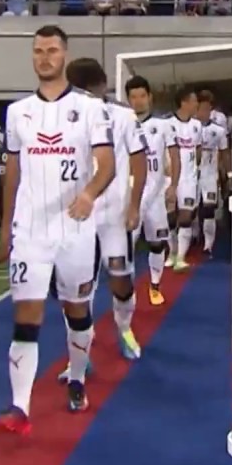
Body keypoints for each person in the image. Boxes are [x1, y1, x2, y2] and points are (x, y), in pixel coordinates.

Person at [0, 26, 115, 429]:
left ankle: (77, 377)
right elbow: (13, 171)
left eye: (51, 50)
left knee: (76, 310)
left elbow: (107, 164)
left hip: (75, 229)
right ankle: (20, 407)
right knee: (26, 315)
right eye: (38, 51)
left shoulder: (90, 109)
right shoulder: (18, 112)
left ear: (65, 54)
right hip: (30, 231)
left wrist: (89, 194)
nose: (44, 57)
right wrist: (6, 226)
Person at [67, 58, 146, 361]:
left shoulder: (123, 116)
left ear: (101, 86)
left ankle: (124, 328)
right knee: (78, 286)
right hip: (78, 215)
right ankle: (80, 353)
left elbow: (139, 162)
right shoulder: (63, 117)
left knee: (120, 278)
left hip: (114, 214)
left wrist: (134, 205)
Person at [125, 76, 178, 305]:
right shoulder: (122, 125)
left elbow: (175, 157)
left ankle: (155, 286)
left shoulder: (163, 125)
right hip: (131, 195)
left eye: (142, 96)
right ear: (128, 100)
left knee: (157, 243)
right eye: (133, 97)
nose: (138, 101)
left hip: (156, 195)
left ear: (150, 97)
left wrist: (173, 186)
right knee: (126, 245)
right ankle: (127, 290)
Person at [165, 87, 203, 271]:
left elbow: (198, 149)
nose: (197, 104)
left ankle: (181, 258)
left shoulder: (197, 125)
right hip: (169, 178)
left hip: (189, 178)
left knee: (186, 217)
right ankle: (172, 253)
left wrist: (196, 167)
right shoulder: (167, 124)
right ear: (184, 102)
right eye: (194, 101)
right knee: (170, 219)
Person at [196, 90, 229, 256]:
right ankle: (193, 238)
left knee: (209, 209)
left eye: (207, 108)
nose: (204, 111)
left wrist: (226, 173)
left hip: (210, 174)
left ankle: (208, 245)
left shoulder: (219, 130)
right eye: (201, 108)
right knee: (190, 209)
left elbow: (224, 152)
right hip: (191, 174)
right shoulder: (189, 128)